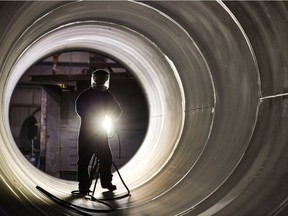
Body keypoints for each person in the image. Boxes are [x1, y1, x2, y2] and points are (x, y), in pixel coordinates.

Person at [75, 69, 121, 194]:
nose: (102, 81)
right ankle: (84, 186)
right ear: (95, 79)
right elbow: (80, 109)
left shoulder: (106, 95)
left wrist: (112, 115)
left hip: (98, 133)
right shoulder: (87, 95)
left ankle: (104, 183)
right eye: (100, 79)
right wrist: (92, 116)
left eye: (103, 79)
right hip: (88, 133)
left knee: (105, 158)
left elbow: (117, 109)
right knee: (84, 161)